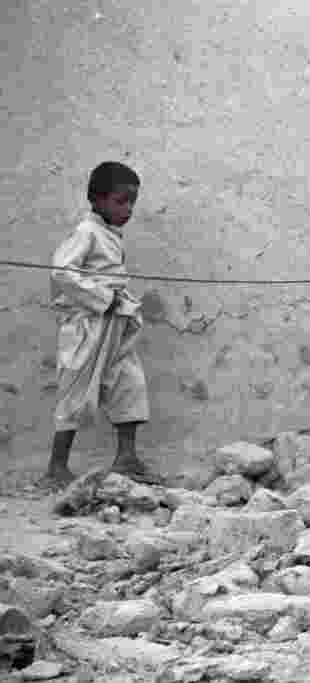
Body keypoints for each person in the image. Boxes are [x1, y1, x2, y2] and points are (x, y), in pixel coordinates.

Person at [42, 161, 158, 488]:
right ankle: (56, 467)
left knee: (129, 382)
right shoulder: (86, 232)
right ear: (98, 199)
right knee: (76, 392)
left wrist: (116, 303)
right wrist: (103, 297)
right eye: (122, 200)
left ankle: (127, 458)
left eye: (133, 201)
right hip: (89, 327)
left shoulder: (110, 234)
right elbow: (62, 272)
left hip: (114, 324)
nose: (129, 208)